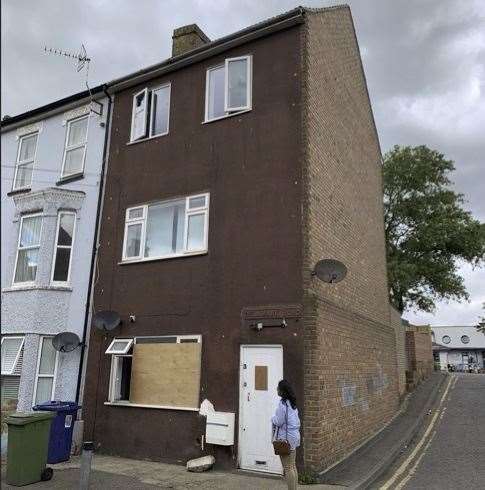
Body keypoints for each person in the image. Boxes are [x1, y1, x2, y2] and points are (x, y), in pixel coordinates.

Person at [272, 379, 300, 490]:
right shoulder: (292, 403)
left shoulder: (283, 404)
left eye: (278, 388)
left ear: (282, 391)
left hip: (285, 438)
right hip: (294, 436)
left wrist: (272, 418)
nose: (276, 389)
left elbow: (278, 421)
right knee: (292, 466)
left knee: (288, 468)